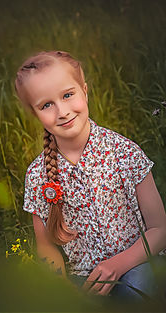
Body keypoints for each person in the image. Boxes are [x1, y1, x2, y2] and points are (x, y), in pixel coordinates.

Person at [14, 50, 166, 300]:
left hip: (138, 263)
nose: (62, 111)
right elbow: (46, 247)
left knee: (136, 291)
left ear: (85, 91)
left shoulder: (123, 153)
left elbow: (160, 229)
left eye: (67, 95)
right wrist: (60, 287)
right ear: (35, 113)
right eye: (47, 105)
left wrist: (117, 265)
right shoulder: (37, 174)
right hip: (83, 276)